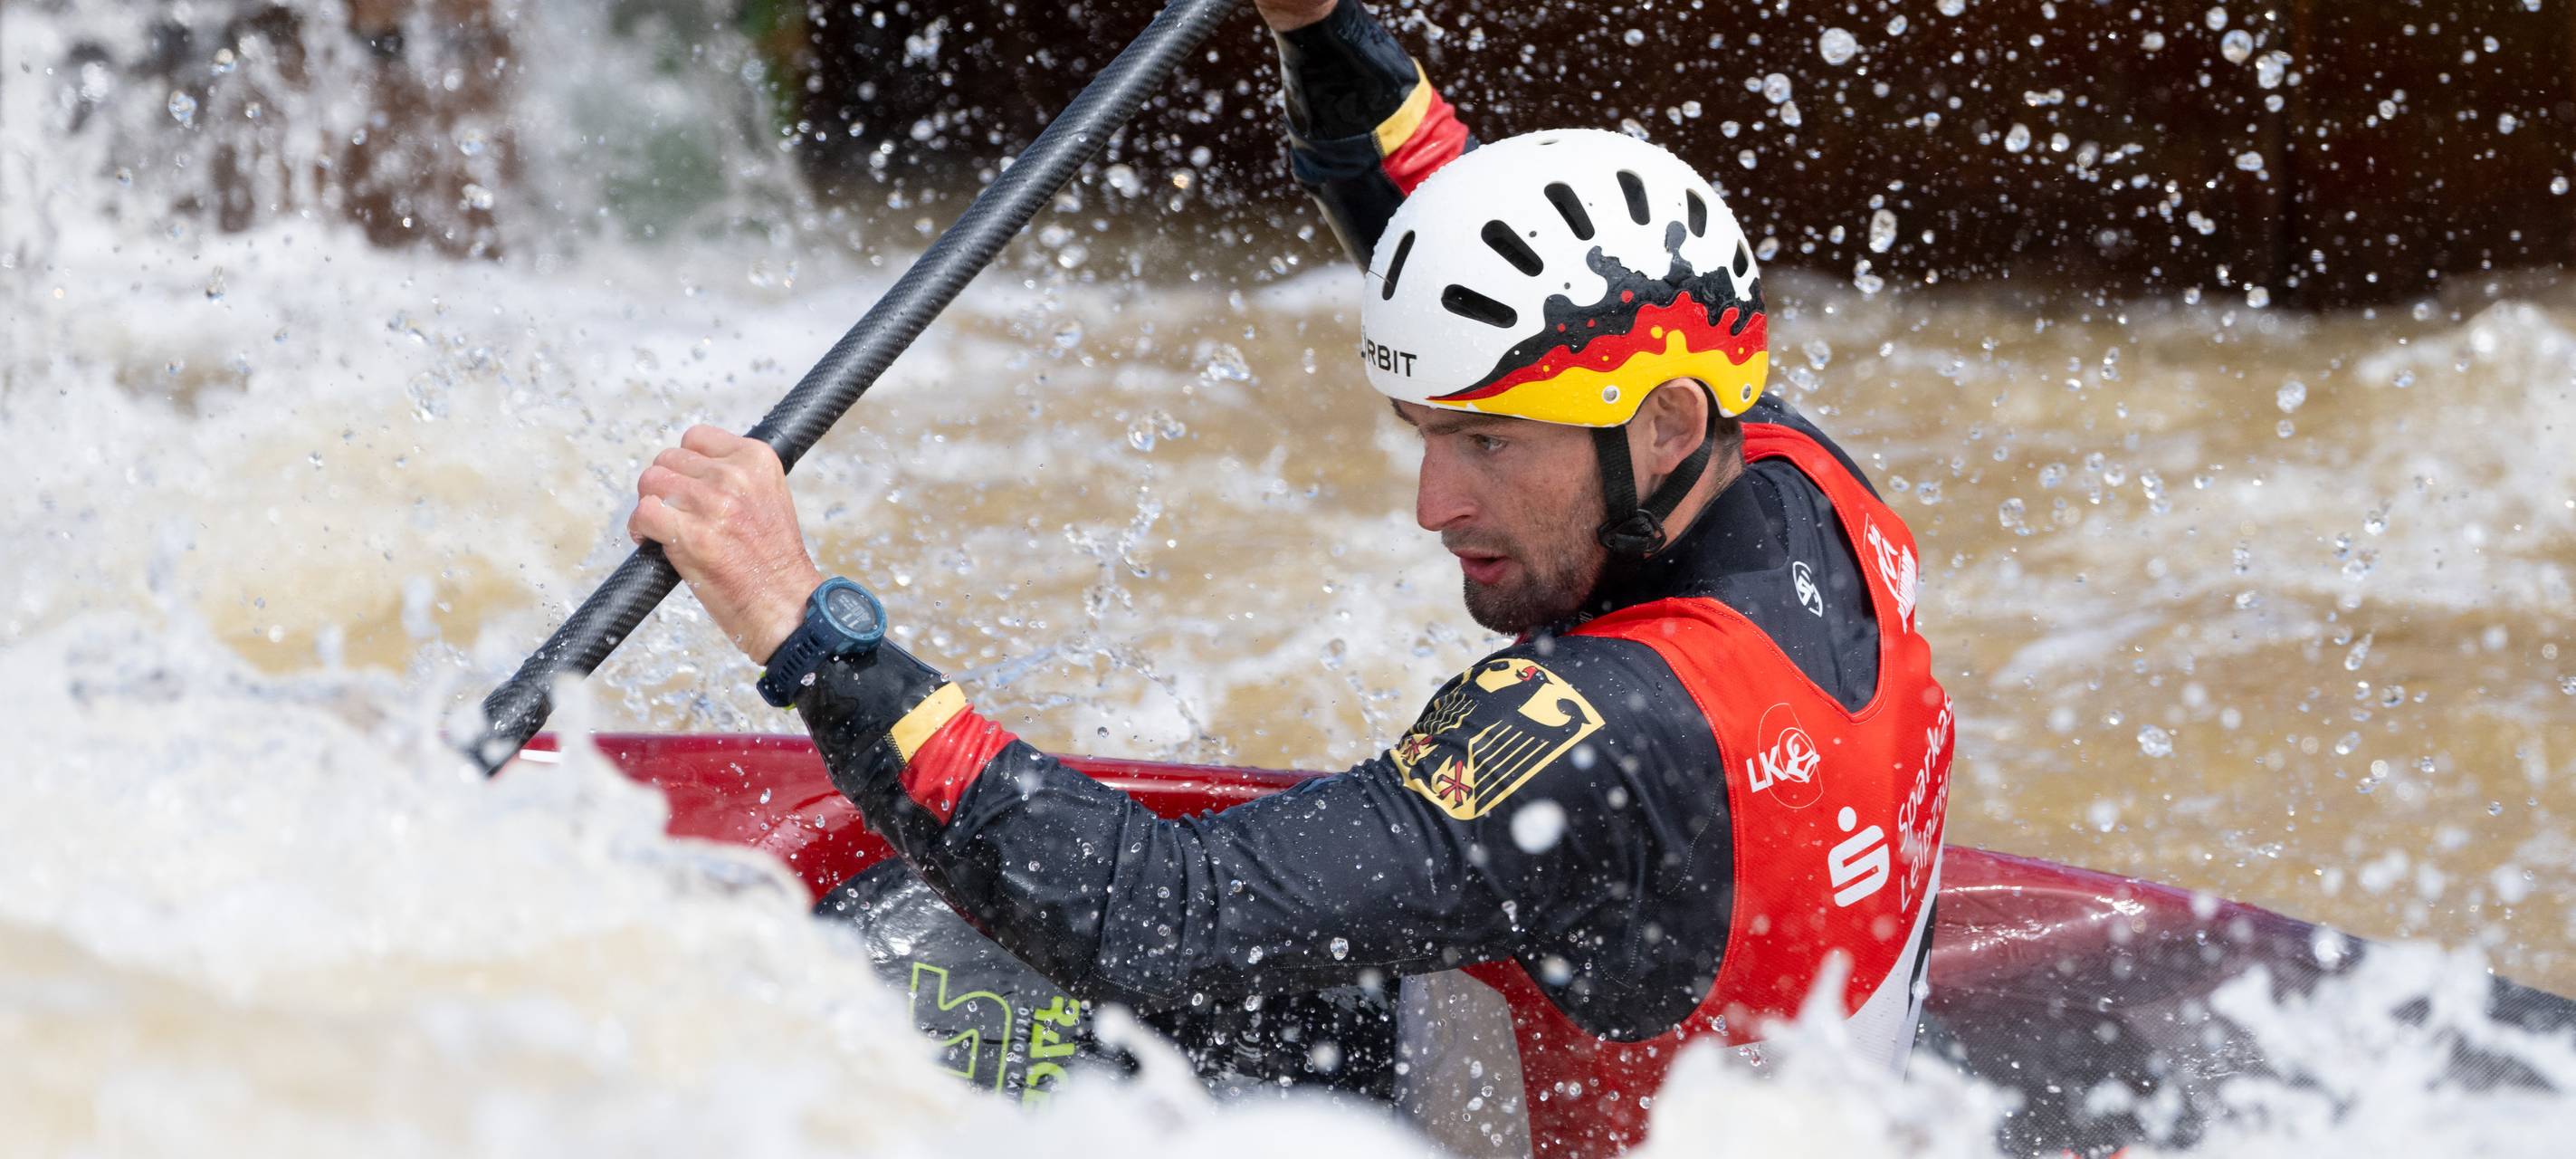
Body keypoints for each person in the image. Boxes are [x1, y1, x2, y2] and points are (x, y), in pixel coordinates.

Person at [625, 2, 1951, 1153]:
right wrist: (1320, 28)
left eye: (1484, 444)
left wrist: (805, 626)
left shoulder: (1601, 733)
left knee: (886, 961)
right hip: (1769, 1059)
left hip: (1488, 1117)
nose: (1438, 504)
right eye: (1426, 435)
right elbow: (1461, 244)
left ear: (1659, 427)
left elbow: (1148, 919)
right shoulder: (1779, 464)